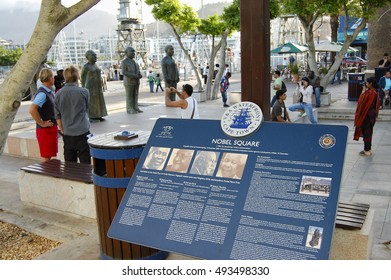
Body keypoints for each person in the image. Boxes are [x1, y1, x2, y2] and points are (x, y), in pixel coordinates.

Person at [54, 65, 91, 164]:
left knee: (70, 164)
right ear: (77, 76)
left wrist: (62, 129)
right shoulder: (84, 92)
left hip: (68, 133)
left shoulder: (58, 94)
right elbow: (86, 109)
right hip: (83, 131)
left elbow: (57, 116)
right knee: (85, 163)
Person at [28, 68, 58, 162]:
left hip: (50, 130)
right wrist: (42, 123)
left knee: (49, 156)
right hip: (46, 131)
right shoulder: (42, 94)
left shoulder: (47, 92)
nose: (54, 78)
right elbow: (32, 110)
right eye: (53, 76)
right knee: (46, 157)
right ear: (49, 78)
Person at [353, 76, 380, 156]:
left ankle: (367, 150)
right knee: (368, 132)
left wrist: (363, 92)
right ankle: (368, 148)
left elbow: (361, 102)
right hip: (371, 116)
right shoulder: (374, 92)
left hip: (367, 115)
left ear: (370, 84)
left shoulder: (370, 93)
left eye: (367, 83)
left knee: (366, 133)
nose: (366, 84)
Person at [81, 50, 108, 122]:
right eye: (93, 55)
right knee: (92, 102)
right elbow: (83, 78)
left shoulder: (96, 65)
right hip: (90, 87)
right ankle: (92, 117)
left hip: (98, 86)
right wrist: (83, 87)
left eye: (95, 55)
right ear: (88, 57)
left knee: (99, 101)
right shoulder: (86, 66)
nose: (95, 57)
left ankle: (99, 115)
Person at [121, 46, 143, 114]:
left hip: (136, 81)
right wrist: (134, 76)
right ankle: (130, 108)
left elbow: (138, 70)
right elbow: (124, 72)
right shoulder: (124, 62)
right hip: (129, 82)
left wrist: (139, 75)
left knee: (135, 95)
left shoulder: (135, 62)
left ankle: (135, 107)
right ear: (126, 53)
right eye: (131, 51)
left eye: (134, 52)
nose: (133, 53)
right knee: (129, 95)